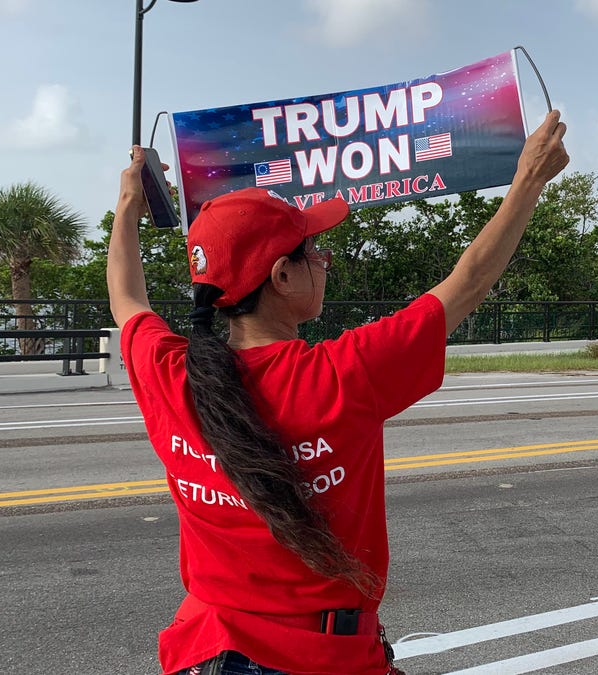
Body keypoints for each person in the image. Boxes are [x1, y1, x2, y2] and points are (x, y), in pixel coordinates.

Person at [108, 111, 568, 675]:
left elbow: (126, 300)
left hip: (204, 651)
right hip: (318, 658)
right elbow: (467, 282)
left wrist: (128, 203)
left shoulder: (168, 371)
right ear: (281, 276)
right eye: (313, 249)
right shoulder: (343, 373)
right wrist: (529, 182)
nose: (324, 259)